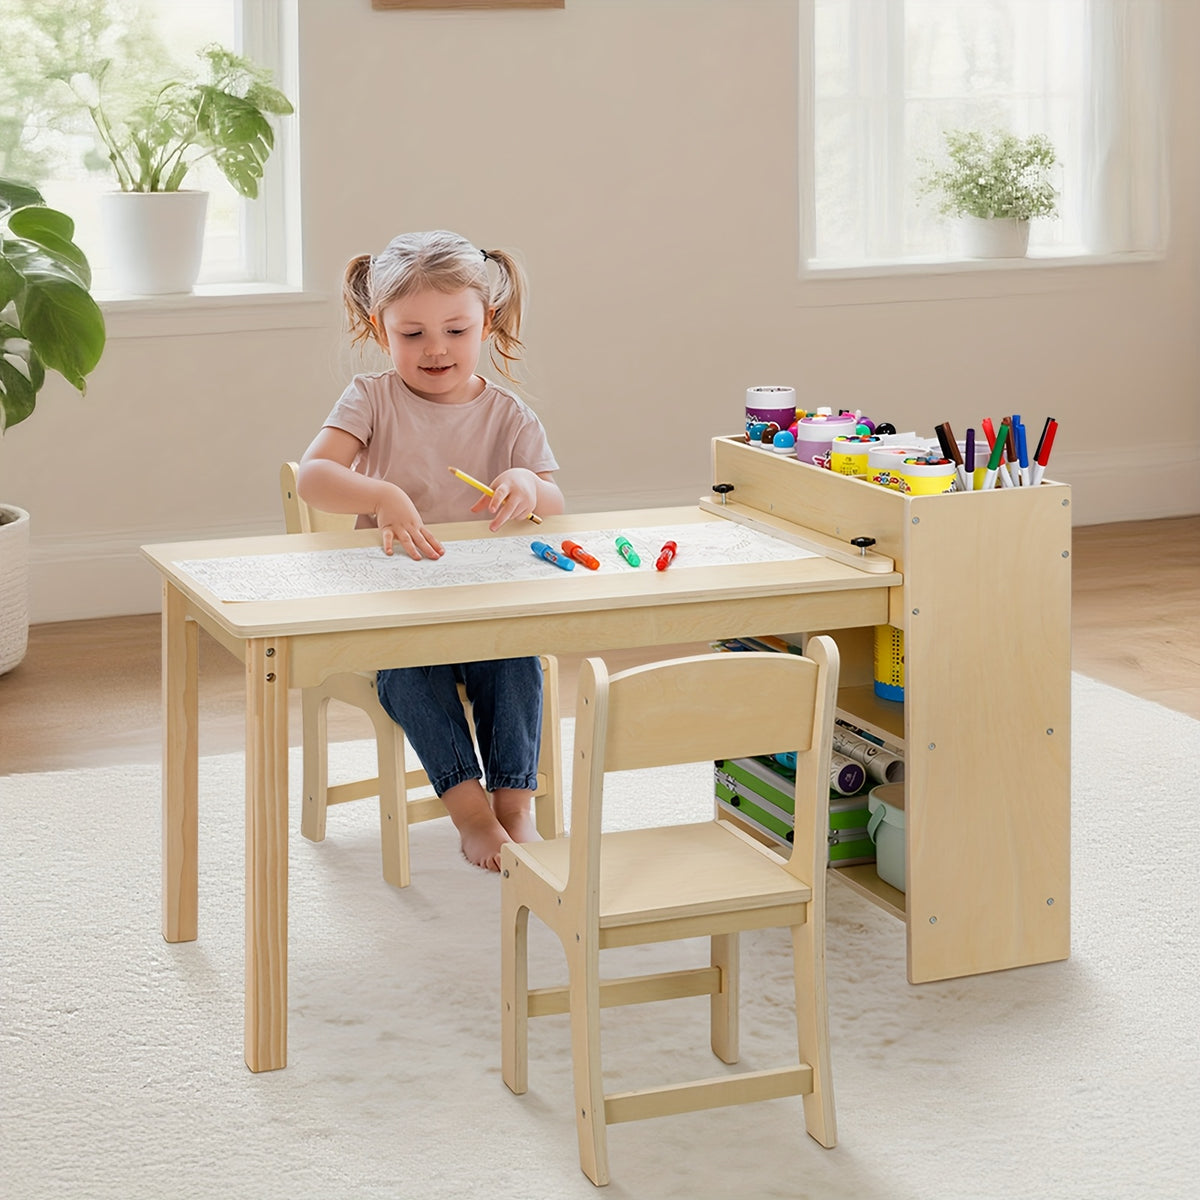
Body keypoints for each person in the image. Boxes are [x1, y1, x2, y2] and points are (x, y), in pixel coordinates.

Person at [298, 230, 564, 872]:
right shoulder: (370, 398)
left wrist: (528, 484)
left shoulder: (508, 414)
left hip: (485, 605)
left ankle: (514, 807)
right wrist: (379, 492)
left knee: (518, 662)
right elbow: (313, 477)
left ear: (486, 322)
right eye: (411, 334)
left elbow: (554, 501)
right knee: (412, 677)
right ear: (378, 327)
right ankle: (472, 816)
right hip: (397, 611)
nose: (435, 349)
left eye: (455, 330)